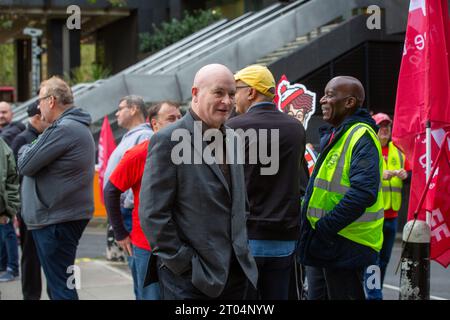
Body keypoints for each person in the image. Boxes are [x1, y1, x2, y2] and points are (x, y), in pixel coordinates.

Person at [139, 63, 258, 300]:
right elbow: (153, 214)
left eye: (232, 94)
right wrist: (184, 264)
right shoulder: (168, 139)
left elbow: (237, 202)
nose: (227, 101)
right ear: (195, 94)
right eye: (218, 92)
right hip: (190, 281)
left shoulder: (234, 138)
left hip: (236, 274)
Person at [297, 76, 384, 300]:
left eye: (330, 95)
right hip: (329, 242)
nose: (323, 100)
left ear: (350, 102)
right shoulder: (338, 134)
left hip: (347, 245)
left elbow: (363, 192)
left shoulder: (360, 136)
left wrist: (325, 227)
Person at [226, 64, 308, 300]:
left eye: (235, 91)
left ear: (251, 92)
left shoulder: (232, 128)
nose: (232, 99)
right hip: (285, 238)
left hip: (245, 239)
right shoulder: (295, 128)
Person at [17, 76, 95, 300]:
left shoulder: (63, 128)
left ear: (51, 101)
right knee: (61, 284)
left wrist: (27, 148)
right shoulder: (68, 127)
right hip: (59, 218)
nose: (38, 107)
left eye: (40, 100)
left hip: (56, 220)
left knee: (61, 287)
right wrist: (30, 148)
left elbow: (25, 163)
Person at [104, 101, 181, 300]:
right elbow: (111, 190)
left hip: (182, 246)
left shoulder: (190, 153)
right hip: (147, 247)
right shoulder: (140, 154)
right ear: (154, 124)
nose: (179, 123)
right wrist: (120, 233)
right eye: (171, 119)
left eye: (180, 118)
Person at [364, 112, 409, 300]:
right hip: (374, 218)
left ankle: (376, 291)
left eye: (387, 127)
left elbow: (411, 175)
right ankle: (374, 296)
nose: (385, 130)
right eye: (381, 126)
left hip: (392, 218)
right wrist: (379, 176)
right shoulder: (367, 150)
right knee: (372, 261)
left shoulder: (397, 152)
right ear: (374, 130)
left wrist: (406, 175)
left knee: (383, 261)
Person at [103, 95, 153, 262]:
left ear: (133, 109)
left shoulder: (144, 137)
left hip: (130, 213)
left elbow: (144, 179)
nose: (116, 114)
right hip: (123, 212)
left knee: (139, 270)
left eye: (120, 108)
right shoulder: (133, 136)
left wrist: (128, 206)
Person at [9, 102, 50, 298]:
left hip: (44, 206)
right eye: (45, 117)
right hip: (28, 207)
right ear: (36, 117)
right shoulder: (22, 139)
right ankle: (31, 295)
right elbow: (14, 174)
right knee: (30, 256)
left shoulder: (44, 137)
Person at [0, 137, 20, 282]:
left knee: (8, 234)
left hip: (3, 208)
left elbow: (11, 177)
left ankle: (12, 268)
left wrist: (8, 209)